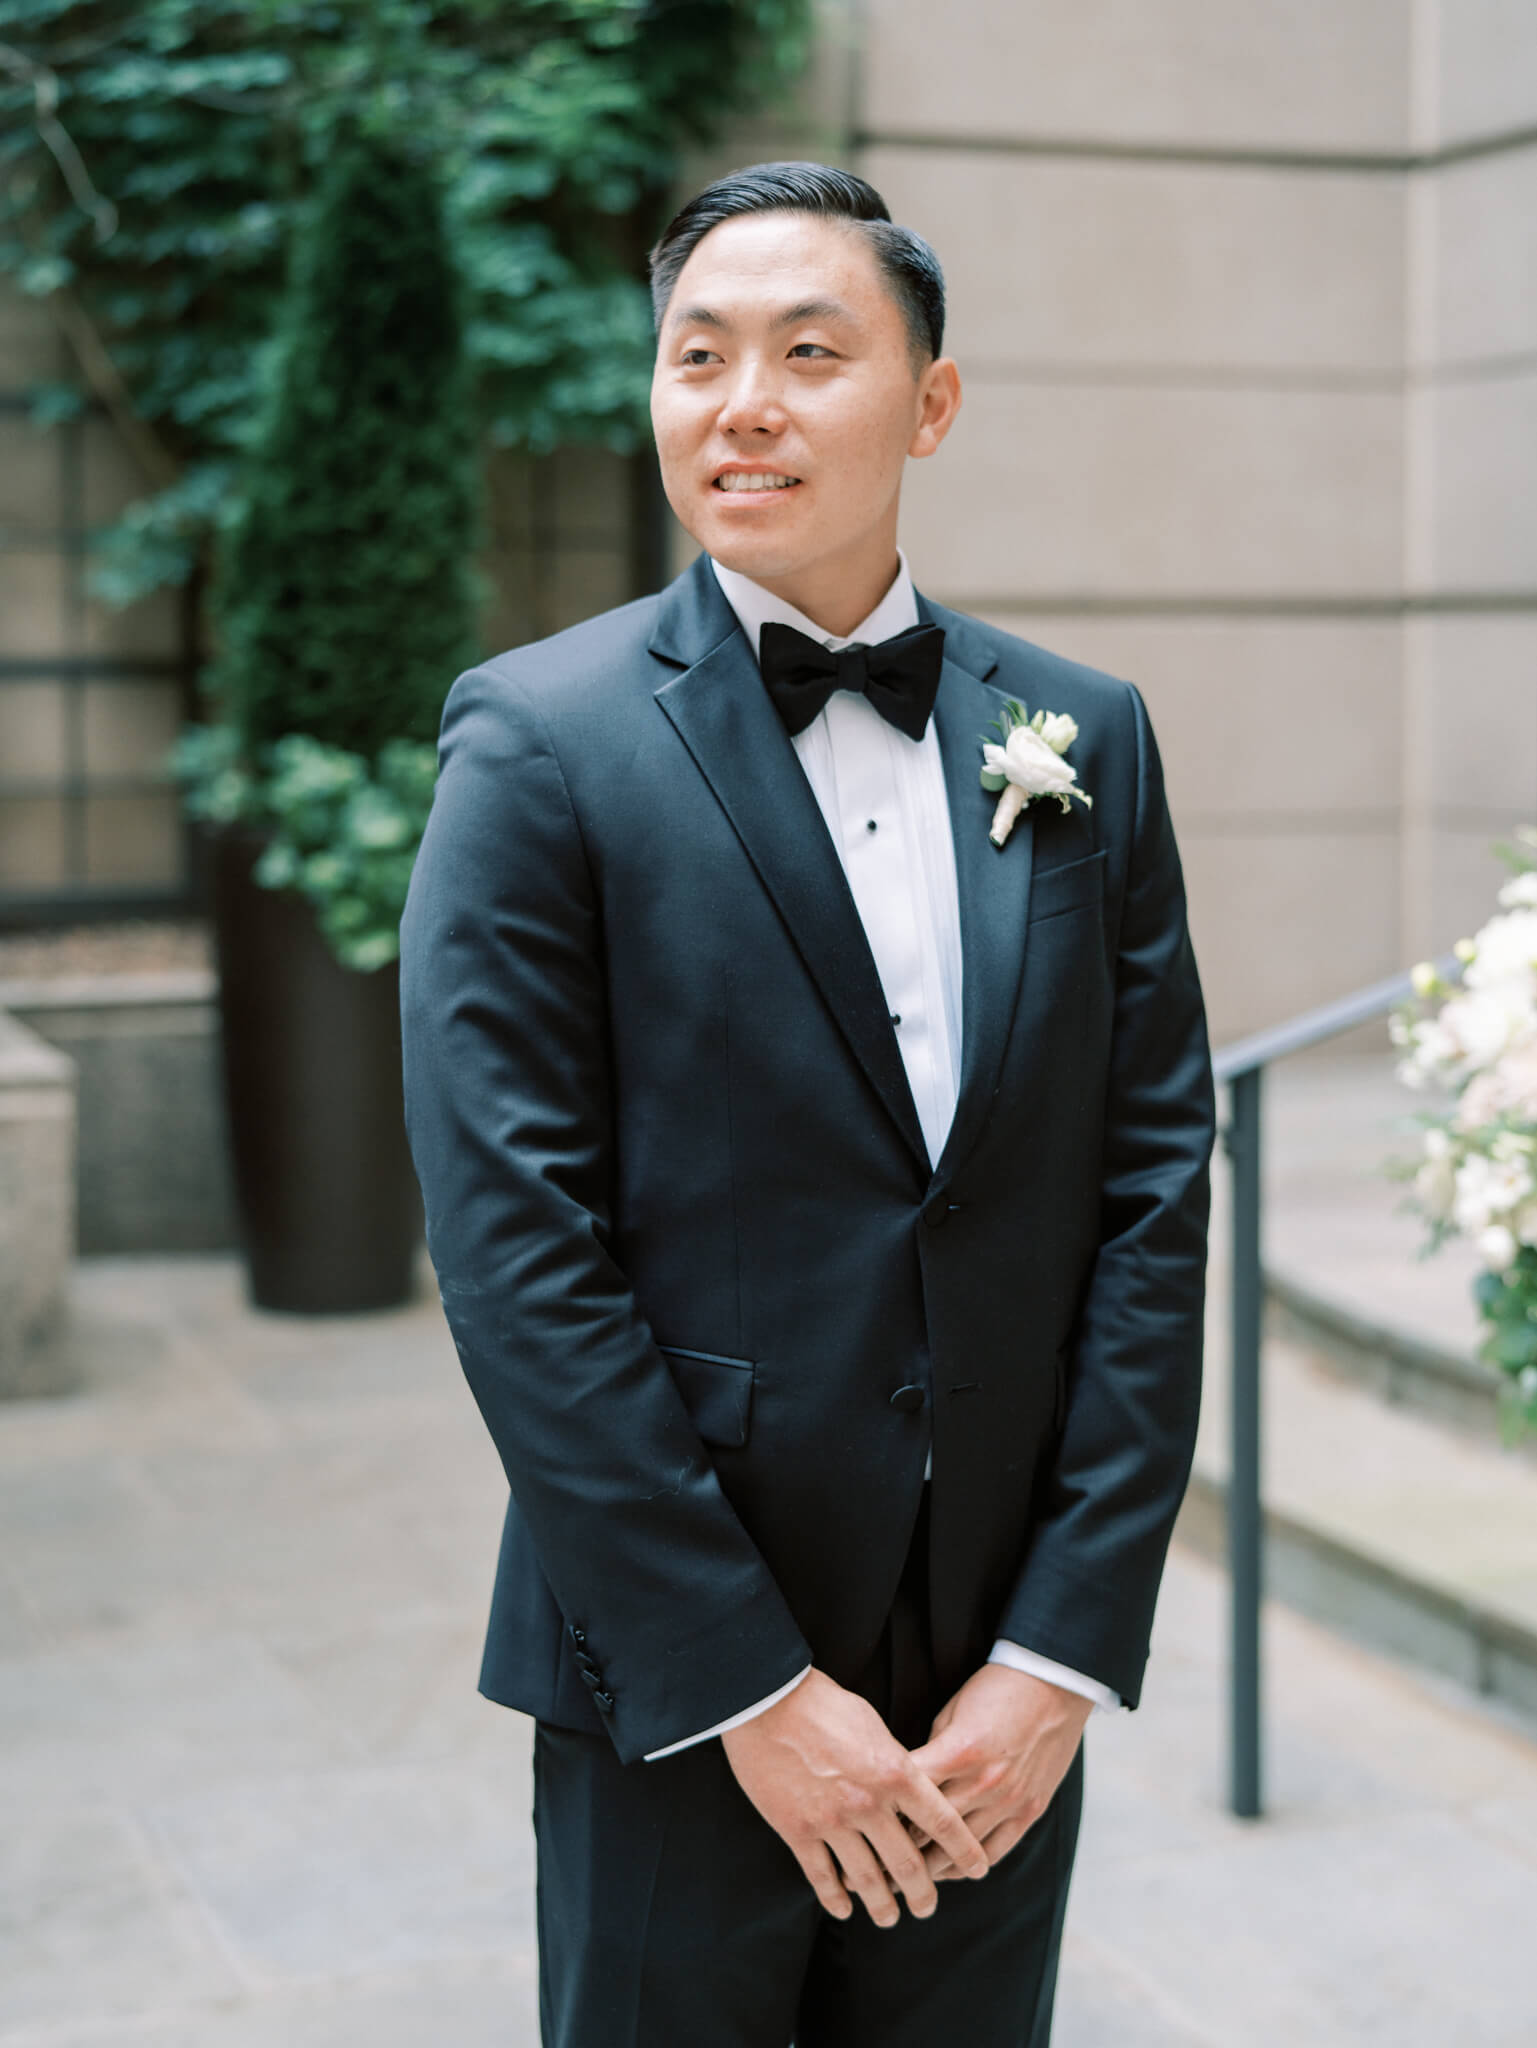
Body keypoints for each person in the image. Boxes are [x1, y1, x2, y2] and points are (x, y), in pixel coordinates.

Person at [399, 160, 1215, 2048]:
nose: (740, 399)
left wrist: (1061, 1646)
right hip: (681, 1667)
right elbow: (518, 1248)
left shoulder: (1079, 735)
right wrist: (750, 1689)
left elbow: (1153, 1186)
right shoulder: (539, 739)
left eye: (807, 350)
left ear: (929, 401)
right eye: (696, 356)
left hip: (993, 1682)